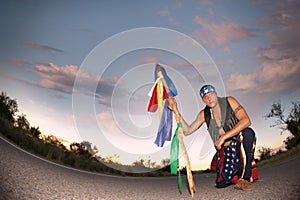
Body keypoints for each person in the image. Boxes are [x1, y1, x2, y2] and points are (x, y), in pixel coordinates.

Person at [167, 84, 258, 191]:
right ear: (203, 100)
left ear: (215, 93)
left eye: (210, 94)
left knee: (247, 133)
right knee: (222, 183)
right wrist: (175, 110)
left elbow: (246, 121)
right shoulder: (204, 114)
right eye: (205, 97)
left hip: (240, 142)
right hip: (225, 151)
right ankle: (236, 171)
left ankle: (245, 178)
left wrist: (223, 138)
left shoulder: (229, 101)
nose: (209, 98)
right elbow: (187, 130)